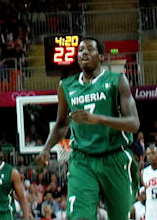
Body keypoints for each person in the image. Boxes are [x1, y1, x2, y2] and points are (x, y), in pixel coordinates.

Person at [37, 38, 141, 220]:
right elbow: (61, 124)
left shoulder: (117, 81)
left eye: (90, 49)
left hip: (114, 157)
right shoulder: (66, 86)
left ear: (101, 56)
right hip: (82, 159)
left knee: (121, 216)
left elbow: (134, 124)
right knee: (79, 216)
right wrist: (46, 148)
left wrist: (98, 119)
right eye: (81, 50)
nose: (84, 52)